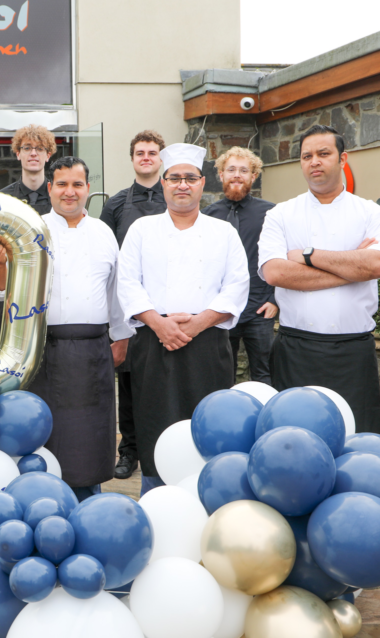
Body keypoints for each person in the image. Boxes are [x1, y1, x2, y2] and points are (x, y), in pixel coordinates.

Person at [0, 157, 133, 501]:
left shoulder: (103, 233)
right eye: (62, 184)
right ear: (49, 188)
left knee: (90, 436)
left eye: (77, 184)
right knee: (44, 432)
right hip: (42, 350)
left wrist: (121, 334)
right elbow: (2, 291)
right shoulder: (29, 229)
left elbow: (116, 291)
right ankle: (41, 498)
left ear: (88, 189)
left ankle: (88, 499)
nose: (70, 192)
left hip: (93, 350)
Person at [117, 143, 250, 495]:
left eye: (189, 178)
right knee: (155, 424)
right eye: (174, 178)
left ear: (202, 183)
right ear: (163, 183)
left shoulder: (224, 233)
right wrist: (159, 323)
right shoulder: (142, 230)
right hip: (152, 343)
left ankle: (209, 494)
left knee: (207, 424)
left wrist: (198, 323)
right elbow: (127, 283)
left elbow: (237, 286)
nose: (182, 185)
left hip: (207, 345)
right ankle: (155, 495)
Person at [258, 125, 380, 434]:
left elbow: (376, 264)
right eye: (307, 156)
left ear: (342, 159)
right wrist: (350, 268)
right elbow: (275, 273)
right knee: (293, 441)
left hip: (353, 351)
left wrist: (307, 255)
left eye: (323, 154)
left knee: (357, 440)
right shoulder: (281, 214)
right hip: (296, 350)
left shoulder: (370, 213)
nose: (314, 162)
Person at [99, 130, 167, 480]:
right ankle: (129, 452)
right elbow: (104, 258)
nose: (145, 157)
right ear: (132, 159)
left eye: (152, 152)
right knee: (128, 387)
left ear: (161, 158)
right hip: (128, 309)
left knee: (164, 385)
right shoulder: (115, 204)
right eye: (139, 152)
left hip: (170, 308)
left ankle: (164, 449)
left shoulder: (177, 198)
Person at [203, 147, 279, 385]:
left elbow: (284, 258)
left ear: (253, 176)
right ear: (221, 174)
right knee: (222, 372)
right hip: (221, 308)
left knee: (265, 373)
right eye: (231, 169)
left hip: (260, 308)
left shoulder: (272, 213)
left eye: (244, 170)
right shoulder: (206, 217)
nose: (237, 175)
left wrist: (275, 299)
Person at [0, 124, 55, 214]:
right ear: (18, 154)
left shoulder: (59, 196)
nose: (33, 153)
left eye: (40, 148)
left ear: (48, 155)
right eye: (27, 148)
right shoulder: (2, 198)